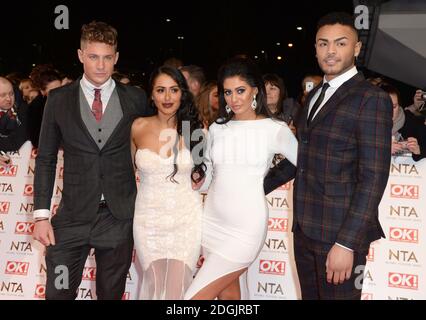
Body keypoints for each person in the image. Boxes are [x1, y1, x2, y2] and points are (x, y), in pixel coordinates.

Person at [264, 12, 393, 300]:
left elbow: (373, 177)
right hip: (305, 230)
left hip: (340, 235)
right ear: (315, 49)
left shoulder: (371, 99)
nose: (330, 51)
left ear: (356, 49)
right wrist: (254, 186)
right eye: (323, 44)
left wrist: (346, 244)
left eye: (340, 43)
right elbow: (301, 157)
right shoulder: (313, 97)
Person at [32, 21, 153, 300]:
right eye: (93, 57)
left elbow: (157, 137)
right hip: (72, 217)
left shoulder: (134, 98)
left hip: (118, 217)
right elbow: (47, 158)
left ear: (116, 58)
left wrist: (192, 152)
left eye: (107, 57)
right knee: (58, 293)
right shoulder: (59, 99)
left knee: (110, 295)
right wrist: (40, 216)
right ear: (80, 55)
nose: (101, 65)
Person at [184, 57, 298, 300]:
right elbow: (212, 176)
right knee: (229, 297)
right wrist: (197, 178)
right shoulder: (217, 128)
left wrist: (266, 182)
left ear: (255, 91)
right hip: (212, 222)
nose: (233, 99)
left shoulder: (274, 129)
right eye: (227, 92)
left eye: (240, 91)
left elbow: (305, 164)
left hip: (245, 228)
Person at [131, 66, 205, 299]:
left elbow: (202, 176)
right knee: (153, 283)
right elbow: (126, 174)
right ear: (151, 95)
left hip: (186, 220)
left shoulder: (194, 130)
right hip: (148, 220)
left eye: (174, 90)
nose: (167, 97)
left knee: (177, 287)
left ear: (182, 93)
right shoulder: (138, 127)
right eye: (160, 90)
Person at [377, 82, 425, 161]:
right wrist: (383, 149)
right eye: (384, 106)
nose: (390, 111)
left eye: (394, 106)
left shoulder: (409, 121)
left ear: (399, 106)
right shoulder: (362, 124)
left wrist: (418, 150)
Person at [0, 77, 29, 164]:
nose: (9, 99)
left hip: (18, 165)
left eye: (11, 94)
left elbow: (14, 143)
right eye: (3, 95)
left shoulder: (22, 110)